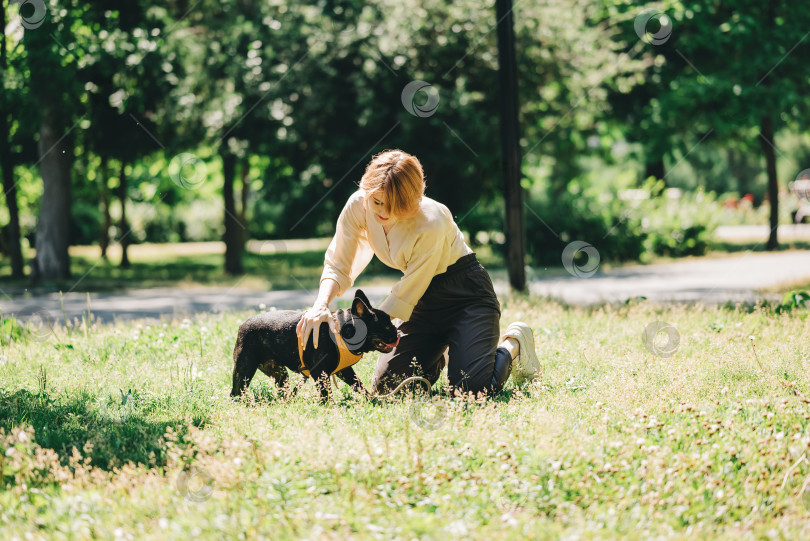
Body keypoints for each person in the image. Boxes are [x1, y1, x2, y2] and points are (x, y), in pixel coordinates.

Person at [296, 149, 541, 395]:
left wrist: (361, 328)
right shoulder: (359, 205)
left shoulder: (431, 220)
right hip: (422, 302)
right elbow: (339, 263)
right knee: (388, 389)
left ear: (413, 198)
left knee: (472, 390)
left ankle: (514, 344)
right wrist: (320, 306)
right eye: (377, 202)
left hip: (466, 295)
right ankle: (445, 351)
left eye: (393, 205)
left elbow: (407, 293)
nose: (383, 212)